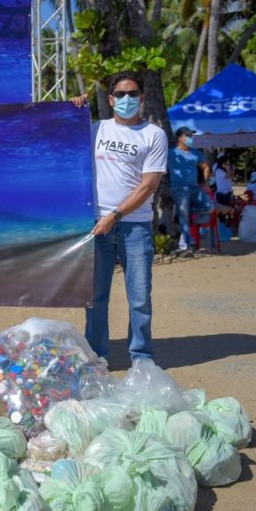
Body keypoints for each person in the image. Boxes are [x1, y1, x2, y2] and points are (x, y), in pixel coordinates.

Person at [70, 71, 168, 363]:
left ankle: (141, 357)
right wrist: (72, 110)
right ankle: (97, 356)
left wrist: (115, 214)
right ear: (111, 99)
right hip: (95, 224)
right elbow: (59, 140)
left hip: (134, 226)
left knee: (139, 298)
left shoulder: (154, 135)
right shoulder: (95, 129)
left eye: (133, 94)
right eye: (121, 94)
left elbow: (149, 184)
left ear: (142, 98)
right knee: (95, 299)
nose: (127, 99)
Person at [168, 127, 210, 254]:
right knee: (184, 218)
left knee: (209, 207)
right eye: (188, 136)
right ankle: (187, 245)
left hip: (195, 188)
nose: (191, 138)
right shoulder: (171, 153)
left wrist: (205, 182)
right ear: (180, 138)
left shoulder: (195, 153)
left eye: (191, 135)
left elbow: (205, 167)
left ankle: (182, 214)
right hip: (179, 188)